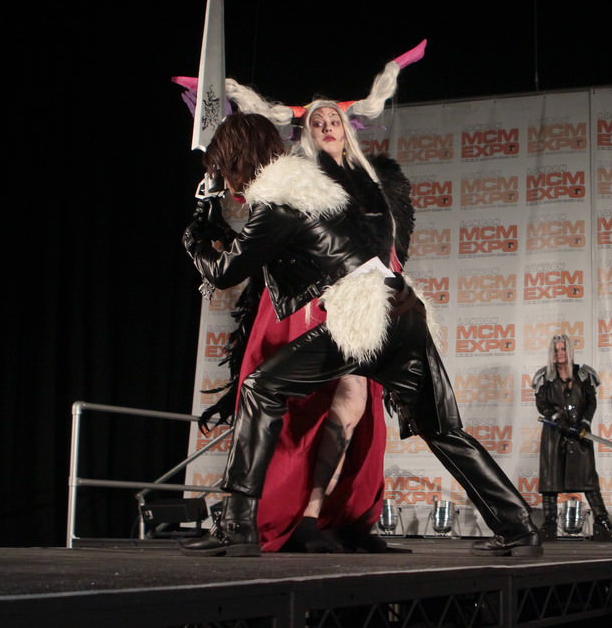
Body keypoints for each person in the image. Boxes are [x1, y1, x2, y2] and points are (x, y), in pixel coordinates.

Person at [181, 112, 541, 557]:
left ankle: (237, 525)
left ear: (237, 162)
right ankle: (518, 527)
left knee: (260, 387)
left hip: (362, 314)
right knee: (442, 430)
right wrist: (220, 228)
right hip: (403, 310)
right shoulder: (311, 188)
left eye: (225, 170)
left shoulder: (276, 201)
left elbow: (224, 272)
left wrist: (194, 237)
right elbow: (272, 250)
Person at [193, 96, 398, 553]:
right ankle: (287, 516)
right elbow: (267, 253)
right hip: (318, 305)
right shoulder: (299, 180)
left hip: (360, 303)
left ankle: (301, 516)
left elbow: (378, 250)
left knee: (347, 405)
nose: (326, 126)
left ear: (347, 128)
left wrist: (197, 237)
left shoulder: (367, 183)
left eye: (333, 119)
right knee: (296, 404)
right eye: (317, 121)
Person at [533, 335, 612, 540]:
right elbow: (542, 404)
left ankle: (602, 522)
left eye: (563, 349)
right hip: (554, 435)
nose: (560, 353)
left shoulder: (584, 375)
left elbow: (591, 402)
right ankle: (549, 525)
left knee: (588, 479)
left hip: (580, 434)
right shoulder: (544, 377)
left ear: (569, 351)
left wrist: (585, 422)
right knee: (551, 480)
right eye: (556, 350)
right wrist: (557, 418)